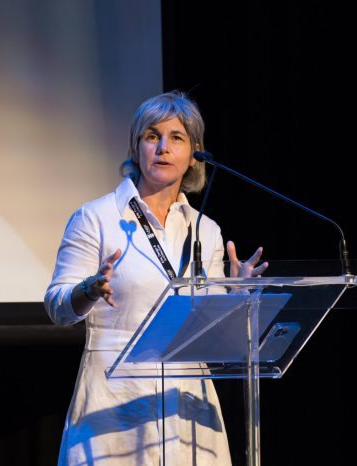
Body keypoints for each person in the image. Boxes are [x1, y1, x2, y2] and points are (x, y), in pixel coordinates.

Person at [44, 91, 267, 465]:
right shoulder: (95, 218)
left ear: (194, 152)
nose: (163, 147)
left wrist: (235, 296)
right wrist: (88, 290)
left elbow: (209, 328)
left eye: (176, 138)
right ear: (136, 147)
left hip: (189, 402)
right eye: (152, 136)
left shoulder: (205, 229)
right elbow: (57, 306)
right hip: (116, 398)